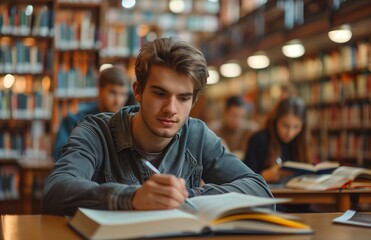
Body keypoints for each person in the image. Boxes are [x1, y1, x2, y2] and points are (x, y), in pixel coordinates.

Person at [42, 37, 273, 216]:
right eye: (160, 93)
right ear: (137, 91)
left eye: (183, 98)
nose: (171, 108)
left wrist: (184, 196)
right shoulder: (95, 131)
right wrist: (131, 198)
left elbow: (259, 190)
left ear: (194, 101)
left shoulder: (197, 135)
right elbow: (55, 192)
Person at [52, 66, 132, 161]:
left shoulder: (127, 123)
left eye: (123, 94)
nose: (118, 101)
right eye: (113, 92)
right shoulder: (75, 119)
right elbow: (59, 155)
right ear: (99, 89)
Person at [243, 96, 312, 184]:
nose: (290, 133)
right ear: (276, 120)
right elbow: (244, 180)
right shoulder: (259, 140)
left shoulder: (302, 140)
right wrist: (264, 176)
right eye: (285, 125)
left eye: (296, 127)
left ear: (303, 126)